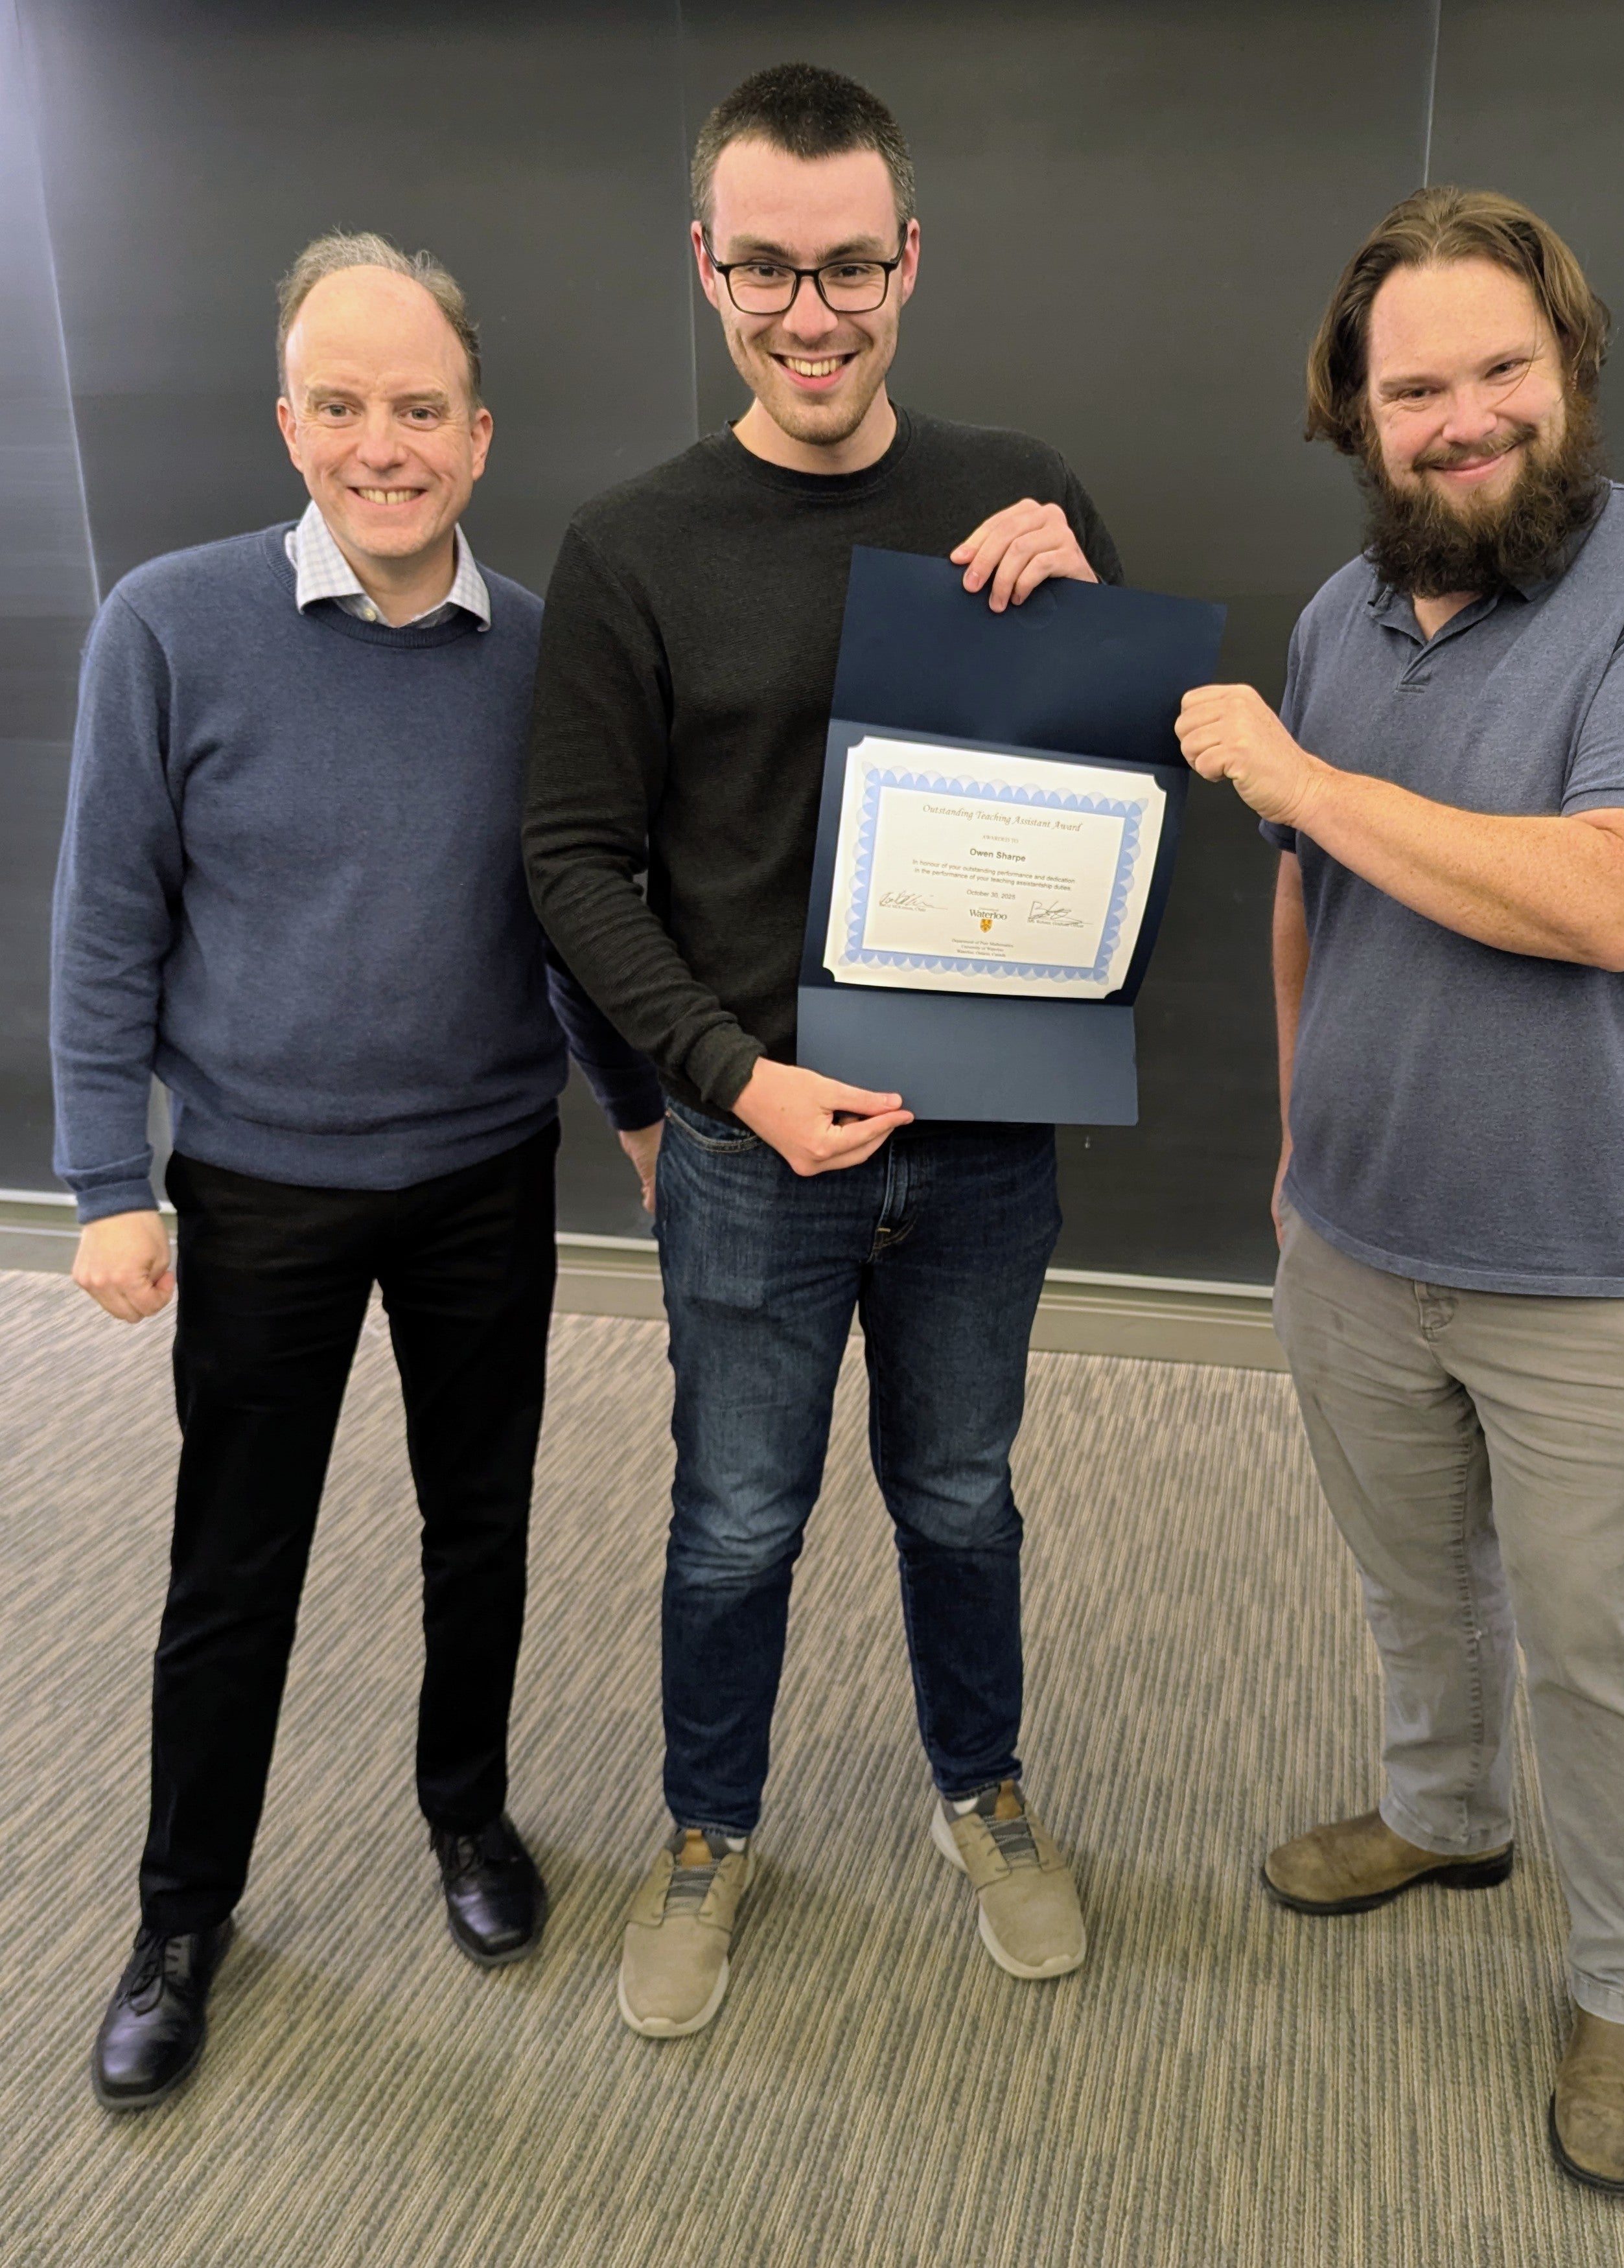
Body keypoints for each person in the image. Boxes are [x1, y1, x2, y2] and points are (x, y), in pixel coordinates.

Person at [1176, 187, 1624, 2195]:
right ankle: (1442, 1813)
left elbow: (1619, 896)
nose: (1461, 420)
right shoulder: (1339, 622)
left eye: (1497, 371)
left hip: (1595, 1267)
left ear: (1571, 367)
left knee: (1597, 1649)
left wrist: (1298, 779)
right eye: (1412, 387)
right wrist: (1293, 1140)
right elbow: (1308, 897)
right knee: (1408, 1587)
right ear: (1354, 416)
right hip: (1353, 1241)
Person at [526, 63, 1118, 2037]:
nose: (810, 310)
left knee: (960, 1492)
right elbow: (572, 863)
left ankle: (983, 1788)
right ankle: (708, 1831)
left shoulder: (1019, 495)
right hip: (748, 1150)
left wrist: (1086, 627)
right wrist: (725, 1077)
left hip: (977, 1152)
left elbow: (1107, 804)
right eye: (765, 269)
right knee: (736, 1516)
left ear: (907, 262)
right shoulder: (631, 546)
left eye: (848, 265)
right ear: (706, 269)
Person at [52, 231, 663, 2111]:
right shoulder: (167, 623)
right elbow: (104, 928)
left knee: (480, 1525)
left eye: (418, 410)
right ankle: (181, 1916)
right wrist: (106, 1185)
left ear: (477, 439)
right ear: (288, 420)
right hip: (258, 1188)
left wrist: (640, 1116)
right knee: (232, 1570)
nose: (379, 444)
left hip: (484, 1170)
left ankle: (467, 1819)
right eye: (341, 405)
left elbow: (578, 916)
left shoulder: (548, 651)